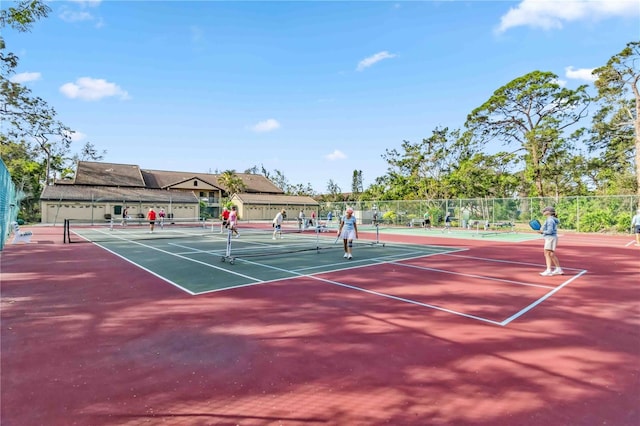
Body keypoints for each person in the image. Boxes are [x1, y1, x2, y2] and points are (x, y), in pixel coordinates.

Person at [539, 206, 563, 276]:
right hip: (553, 238)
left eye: (545, 211)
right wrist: (542, 231)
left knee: (547, 254)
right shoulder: (552, 219)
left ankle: (548, 270)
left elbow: (550, 231)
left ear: (548, 212)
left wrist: (542, 232)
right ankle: (558, 269)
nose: (543, 212)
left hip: (550, 238)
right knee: (551, 254)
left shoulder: (549, 220)